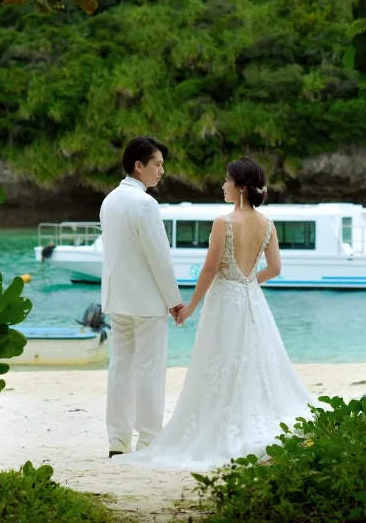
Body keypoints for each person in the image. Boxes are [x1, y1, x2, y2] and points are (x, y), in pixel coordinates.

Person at [113, 157, 316, 471]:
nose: (223, 186)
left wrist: (190, 305)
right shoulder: (268, 224)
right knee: (254, 362)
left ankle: (221, 423)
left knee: (218, 362)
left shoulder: (224, 222)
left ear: (241, 188)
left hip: (223, 303)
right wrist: (249, 281)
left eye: (227, 181)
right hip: (251, 301)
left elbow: (209, 269)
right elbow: (275, 268)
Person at [100, 136, 184, 458]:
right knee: (149, 369)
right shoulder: (145, 204)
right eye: (158, 164)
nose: (162, 171)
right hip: (147, 302)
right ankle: (149, 439)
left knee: (120, 368)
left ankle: (117, 441)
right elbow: (159, 259)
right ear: (139, 165)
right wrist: (175, 301)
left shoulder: (109, 200)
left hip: (117, 298)